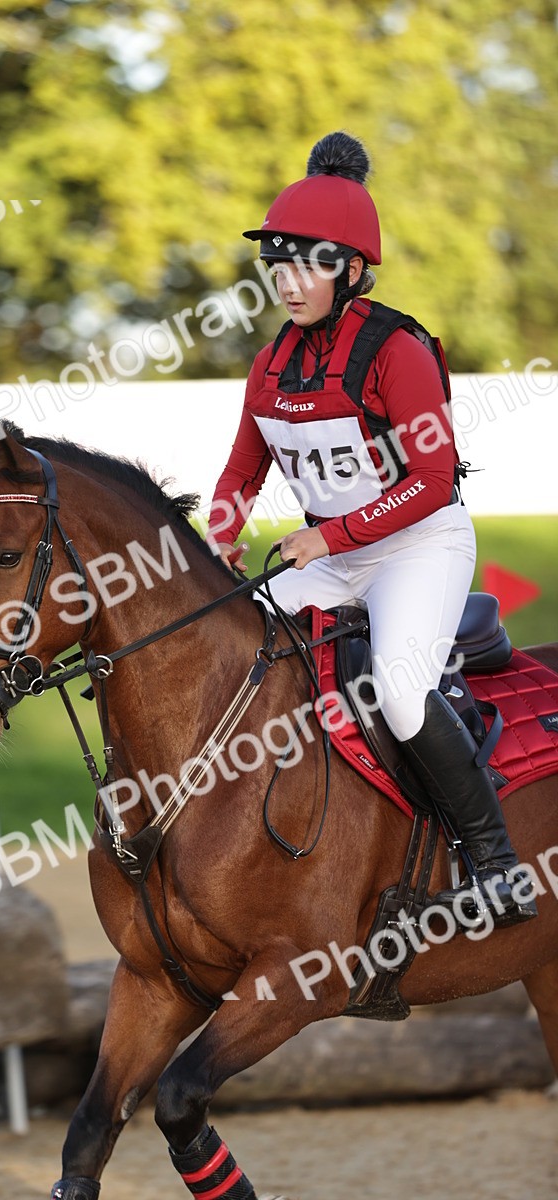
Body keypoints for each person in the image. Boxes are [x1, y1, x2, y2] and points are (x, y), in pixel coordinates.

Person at [208, 130, 535, 928]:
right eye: (277, 263)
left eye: (309, 263)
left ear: (352, 270)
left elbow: (431, 479)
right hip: (332, 553)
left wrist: (328, 537)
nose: (289, 281)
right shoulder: (269, 364)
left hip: (419, 546)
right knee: (234, 656)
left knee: (397, 687)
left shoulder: (397, 350)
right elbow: (240, 475)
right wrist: (214, 543)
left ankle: (495, 864)